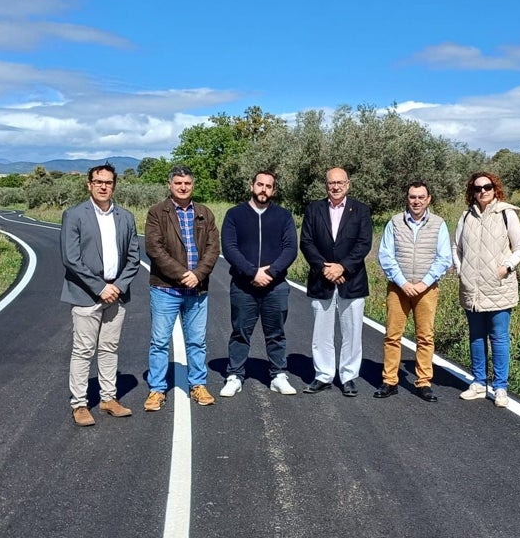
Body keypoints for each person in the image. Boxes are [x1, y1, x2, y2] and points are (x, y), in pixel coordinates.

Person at [60, 164, 140, 427]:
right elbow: (71, 259)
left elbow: (133, 257)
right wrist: (100, 287)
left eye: (108, 182)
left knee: (109, 348)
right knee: (83, 351)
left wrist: (118, 286)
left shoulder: (126, 217)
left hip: (116, 294)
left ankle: (108, 398)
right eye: (98, 182)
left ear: (114, 185)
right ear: (89, 184)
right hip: (86, 294)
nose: (103, 186)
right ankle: (80, 404)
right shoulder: (74, 215)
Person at [144, 165, 221, 411]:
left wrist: (197, 275)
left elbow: (212, 248)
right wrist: (182, 274)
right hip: (165, 289)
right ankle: (157, 390)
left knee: (197, 342)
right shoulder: (157, 212)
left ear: (192, 185)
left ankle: (197, 384)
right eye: (178, 183)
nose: (183, 187)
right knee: (160, 342)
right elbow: (154, 249)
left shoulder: (205, 213)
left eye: (187, 183)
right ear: (170, 185)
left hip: (197, 290)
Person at [219, 171, 299, 397]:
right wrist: (253, 272)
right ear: (252, 186)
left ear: (273, 190)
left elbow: (290, 248)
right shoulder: (234, 215)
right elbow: (230, 248)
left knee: (276, 333)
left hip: (276, 286)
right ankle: (234, 375)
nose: (264, 189)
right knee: (240, 332)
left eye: (269, 186)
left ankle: (278, 375)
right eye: (260, 185)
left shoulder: (283, 216)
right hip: (244, 286)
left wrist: (271, 272)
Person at [453, 172, 520, 409]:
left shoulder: (507, 214)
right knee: (476, 336)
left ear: (495, 188)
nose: (482, 191)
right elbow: (457, 247)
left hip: (498, 286)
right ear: (471, 192)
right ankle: (478, 382)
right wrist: (460, 269)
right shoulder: (466, 216)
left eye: (487, 187)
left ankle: (501, 387)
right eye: (477, 188)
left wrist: (506, 267)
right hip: (471, 287)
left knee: (499, 337)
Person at [375, 181, 452, 402]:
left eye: (420, 197)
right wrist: (403, 282)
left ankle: (423, 382)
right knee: (392, 335)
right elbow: (386, 255)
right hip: (398, 288)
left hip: (426, 289)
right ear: (407, 199)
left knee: (425, 336)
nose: (416, 201)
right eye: (412, 197)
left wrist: (423, 283)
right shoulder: (395, 222)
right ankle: (390, 381)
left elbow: (443, 258)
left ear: (428, 199)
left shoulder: (439, 224)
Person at [299, 167, 373, 396]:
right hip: (321, 280)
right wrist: (325, 268)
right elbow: (307, 242)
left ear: (348, 184)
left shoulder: (360, 210)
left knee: (352, 332)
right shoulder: (314, 209)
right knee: (321, 333)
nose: (336, 186)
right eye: (332, 182)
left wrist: (343, 267)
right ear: (326, 184)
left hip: (352, 280)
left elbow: (363, 243)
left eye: (340, 182)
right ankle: (323, 375)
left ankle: (349, 376)